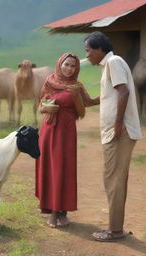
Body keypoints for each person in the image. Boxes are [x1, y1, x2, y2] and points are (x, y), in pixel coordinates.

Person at [84, 31, 142, 241]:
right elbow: (114, 93)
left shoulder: (113, 62)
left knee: (114, 179)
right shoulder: (111, 64)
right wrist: (91, 102)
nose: (87, 55)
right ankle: (115, 227)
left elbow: (124, 92)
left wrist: (117, 125)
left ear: (100, 49)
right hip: (119, 131)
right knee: (115, 179)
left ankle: (115, 230)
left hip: (120, 132)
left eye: (88, 50)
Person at [35, 52, 99, 228]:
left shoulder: (77, 86)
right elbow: (41, 104)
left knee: (65, 168)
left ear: (77, 68)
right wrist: (47, 107)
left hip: (67, 132)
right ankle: (53, 213)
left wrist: (108, 95)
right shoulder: (49, 81)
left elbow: (88, 102)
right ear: (59, 64)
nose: (69, 69)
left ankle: (63, 212)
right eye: (66, 65)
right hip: (49, 129)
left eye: (73, 66)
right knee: (52, 167)